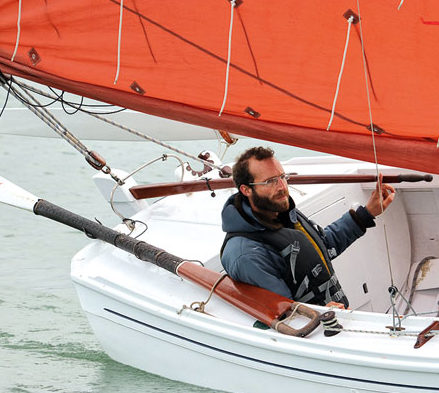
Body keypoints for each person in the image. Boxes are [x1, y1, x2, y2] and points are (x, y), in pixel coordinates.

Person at [220, 147, 395, 308]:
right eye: (270, 181)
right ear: (246, 190)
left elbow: (322, 247)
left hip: (338, 316)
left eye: (282, 177)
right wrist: (319, 316)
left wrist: (365, 215)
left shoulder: (281, 211)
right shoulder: (246, 255)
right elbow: (281, 312)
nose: (282, 187)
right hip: (314, 333)